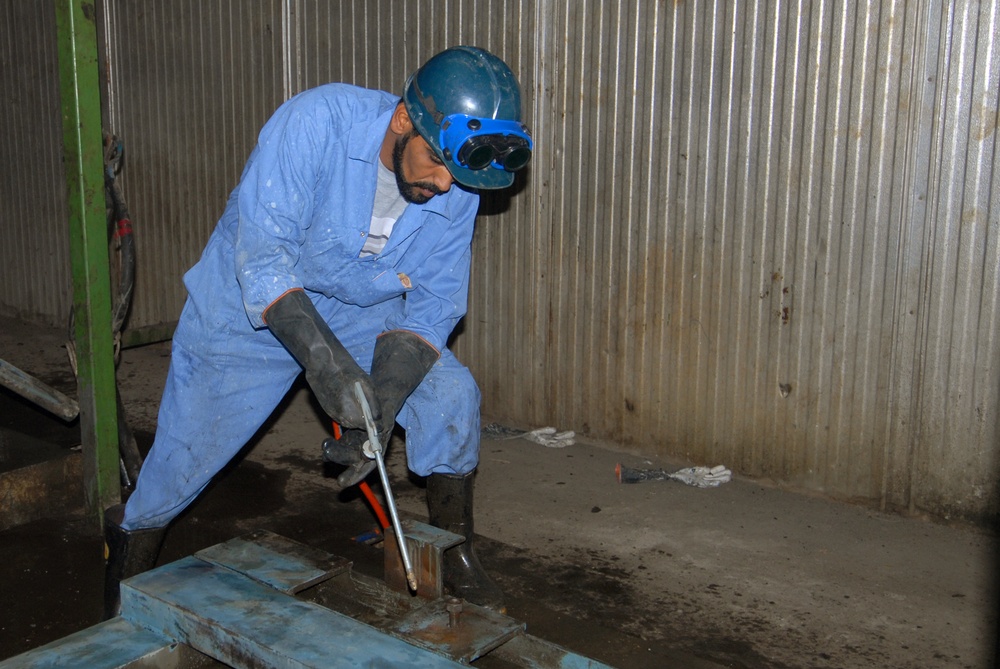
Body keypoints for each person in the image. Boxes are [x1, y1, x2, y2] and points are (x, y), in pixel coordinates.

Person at [102, 45, 533, 619]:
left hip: (357, 309)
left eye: (459, 175)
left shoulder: (457, 182)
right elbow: (264, 260)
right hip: (249, 309)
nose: (445, 186)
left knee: (452, 397)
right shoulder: (316, 123)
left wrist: (383, 396)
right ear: (405, 118)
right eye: (436, 163)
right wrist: (326, 367)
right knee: (182, 459)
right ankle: (126, 579)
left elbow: (433, 301)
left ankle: (456, 554)